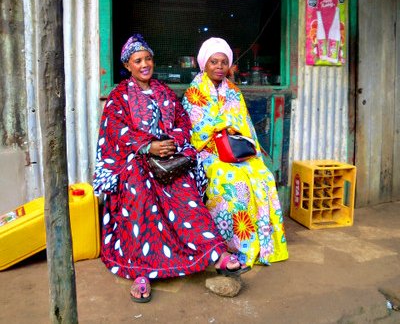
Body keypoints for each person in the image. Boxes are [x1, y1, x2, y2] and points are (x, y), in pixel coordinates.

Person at [93, 34, 249, 303]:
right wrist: (147, 146)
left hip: (169, 159)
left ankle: (215, 253)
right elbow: (115, 131)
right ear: (128, 65)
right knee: (139, 187)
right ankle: (141, 270)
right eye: (138, 60)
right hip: (136, 161)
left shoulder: (165, 91)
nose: (145, 64)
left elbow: (183, 124)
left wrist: (171, 142)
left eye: (148, 59)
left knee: (184, 187)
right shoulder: (119, 96)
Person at [182, 37, 289, 270]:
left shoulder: (234, 91)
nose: (219, 67)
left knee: (262, 176)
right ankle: (234, 246)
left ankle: (264, 245)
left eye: (223, 62)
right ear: (204, 64)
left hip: (235, 151)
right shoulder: (194, 93)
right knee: (232, 181)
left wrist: (230, 124)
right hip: (209, 153)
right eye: (214, 62)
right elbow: (196, 130)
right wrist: (224, 122)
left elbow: (245, 125)